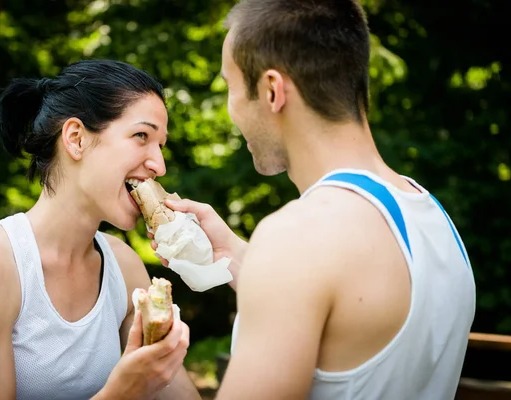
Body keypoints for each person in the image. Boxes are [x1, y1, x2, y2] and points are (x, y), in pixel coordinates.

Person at [153, 1, 476, 399]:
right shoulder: (431, 216)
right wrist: (236, 256)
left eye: (231, 87)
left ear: (272, 90)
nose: (231, 109)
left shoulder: (297, 238)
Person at [0, 59, 201, 400]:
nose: (159, 166)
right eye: (141, 136)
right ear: (76, 139)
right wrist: (121, 392)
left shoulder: (124, 265)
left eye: (160, 145)